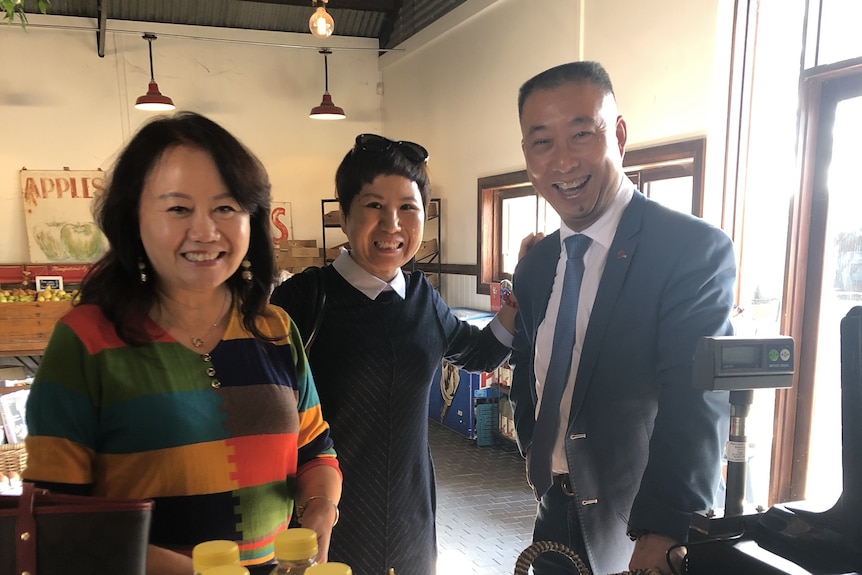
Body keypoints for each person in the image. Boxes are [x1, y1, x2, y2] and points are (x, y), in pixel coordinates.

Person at [22, 111, 342, 575]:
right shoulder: (86, 342)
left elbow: (314, 448)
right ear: (134, 219)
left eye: (226, 207)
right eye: (178, 208)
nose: (206, 231)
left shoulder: (274, 330)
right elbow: (58, 520)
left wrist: (320, 510)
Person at [508, 61, 736, 575]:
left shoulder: (689, 249)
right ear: (527, 154)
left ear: (620, 134)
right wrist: (535, 448)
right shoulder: (537, 265)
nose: (563, 161)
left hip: (638, 527)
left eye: (582, 134)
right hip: (552, 511)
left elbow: (695, 397)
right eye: (541, 142)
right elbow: (529, 363)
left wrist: (664, 528)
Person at [270, 133, 517, 575]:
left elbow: (476, 354)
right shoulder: (305, 300)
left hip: (411, 516)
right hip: (324, 513)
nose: (393, 224)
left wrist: (518, 303)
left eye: (408, 207)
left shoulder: (422, 297)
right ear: (344, 216)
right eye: (373, 206)